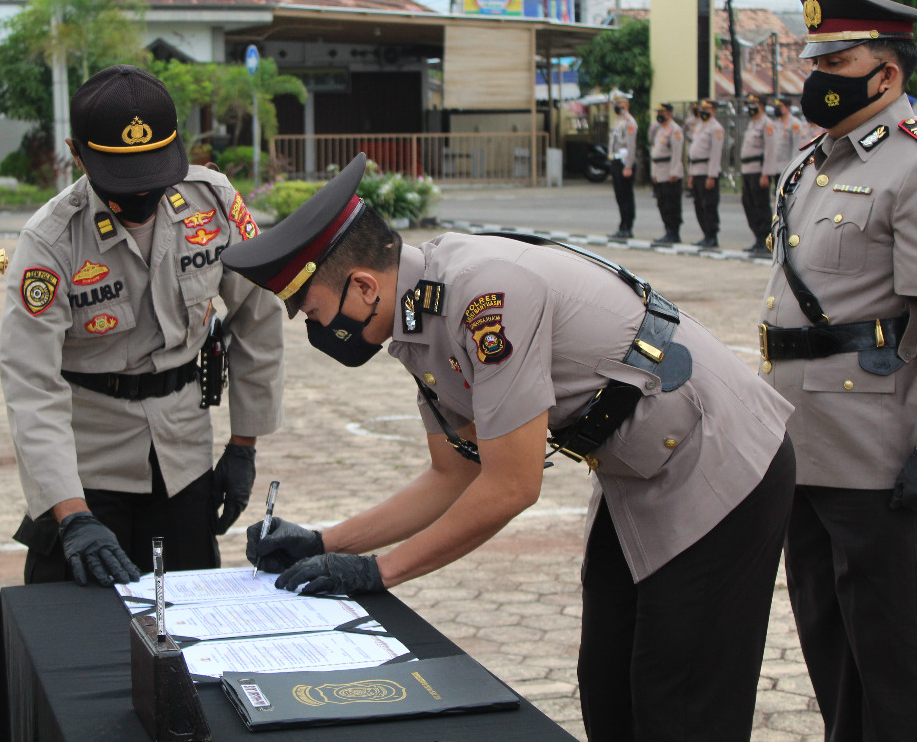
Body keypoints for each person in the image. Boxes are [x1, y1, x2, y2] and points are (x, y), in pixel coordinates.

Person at [221, 153, 796, 741]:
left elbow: (512, 485)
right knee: (607, 683)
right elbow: (452, 474)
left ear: (364, 285)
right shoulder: (417, 319)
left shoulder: (484, 296)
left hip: (720, 460)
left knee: (678, 699)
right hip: (640, 475)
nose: (317, 332)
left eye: (314, 312)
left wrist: (378, 571)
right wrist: (322, 543)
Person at [760, 0, 917, 742]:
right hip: (801, 437)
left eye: (837, 66)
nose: (818, 82)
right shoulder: (812, 163)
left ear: (889, 74)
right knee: (827, 634)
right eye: (817, 64)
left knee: (892, 647)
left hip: (879, 448)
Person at [0, 65, 284, 587]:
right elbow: (31, 386)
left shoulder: (214, 203)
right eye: (121, 183)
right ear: (77, 154)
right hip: (87, 471)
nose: (139, 198)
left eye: (153, 177)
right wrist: (72, 515)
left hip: (183, 456)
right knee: (76, 637)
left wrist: (244, 445)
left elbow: (257, 317)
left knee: (190, 632)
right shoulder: (51, 242)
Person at [738, 93, 773, 254]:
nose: (750, 106)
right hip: (747, 170)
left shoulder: (767, 124)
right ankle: (758, 238)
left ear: (761, 105)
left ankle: (766, 240)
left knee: (761, 205)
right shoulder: (753, 123)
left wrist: (766, 173)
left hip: (759, 171)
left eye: (753, 103)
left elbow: (769, 150)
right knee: (748, 204)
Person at [688, 98, 725, 248]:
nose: (703, 112)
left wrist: (712, 175)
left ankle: (712, 236)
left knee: (708, 205)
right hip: (696, 171)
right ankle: (705, 235)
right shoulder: (700, 126)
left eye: (707, 110)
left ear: (713, 111)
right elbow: (693, 152)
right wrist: (691, 174)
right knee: (699, 205)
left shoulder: (716, 128)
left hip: (707, 172)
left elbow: (716, 154)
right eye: (702, 109)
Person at [649, 102, 685, 244]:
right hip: (659, 172)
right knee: (662, 204)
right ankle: (667, 231)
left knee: (672, 204)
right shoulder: (660, 129)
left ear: (669, 114)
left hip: (669, 172)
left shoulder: (674, 130)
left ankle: (674, 233)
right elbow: (654, 152)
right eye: (658, 112)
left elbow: (677, 153)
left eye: (662, 113)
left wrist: (674, 172)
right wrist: (653, 173)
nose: (659, 115)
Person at [606, 94, 637, 239]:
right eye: (616, 104)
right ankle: (622, 225)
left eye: (620, 104)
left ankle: (628, 226)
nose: (617, 107)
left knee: (626, 196)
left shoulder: (629, 122)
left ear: (627, 105)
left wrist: (628, 166)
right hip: (616, 161)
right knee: (619, 196)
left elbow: (631, 146)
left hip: (625, 163)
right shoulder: (618, 121)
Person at [764, 96, 807, 190]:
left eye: (780, 106)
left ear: (787, 108)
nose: (777, 109)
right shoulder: (775, 124)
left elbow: (797, 146)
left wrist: (794, 167)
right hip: (776, 167)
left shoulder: (794, 123)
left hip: (787, 166)